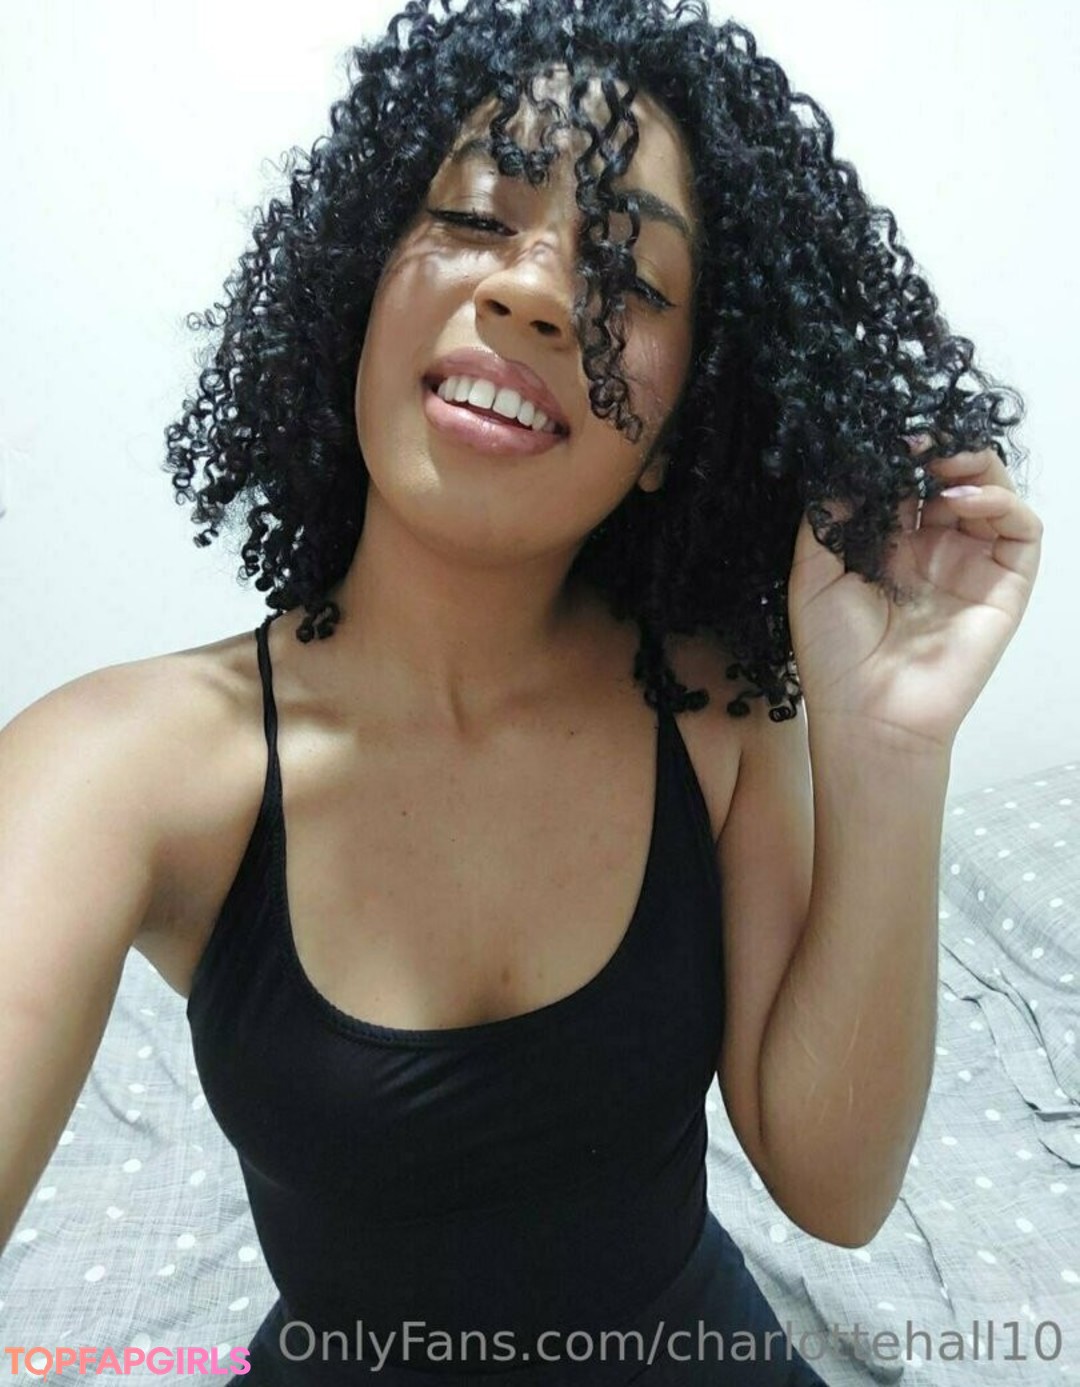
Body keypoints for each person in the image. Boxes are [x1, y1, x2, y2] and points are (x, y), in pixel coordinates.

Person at [0, 0, 1042, 1381]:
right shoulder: (119, 768)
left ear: (675, 436)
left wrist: (892, 746)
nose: (536, 292)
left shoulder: (714, 708)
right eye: (475, 218)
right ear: (362, 286)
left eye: (631, 278)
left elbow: (837, 1190)